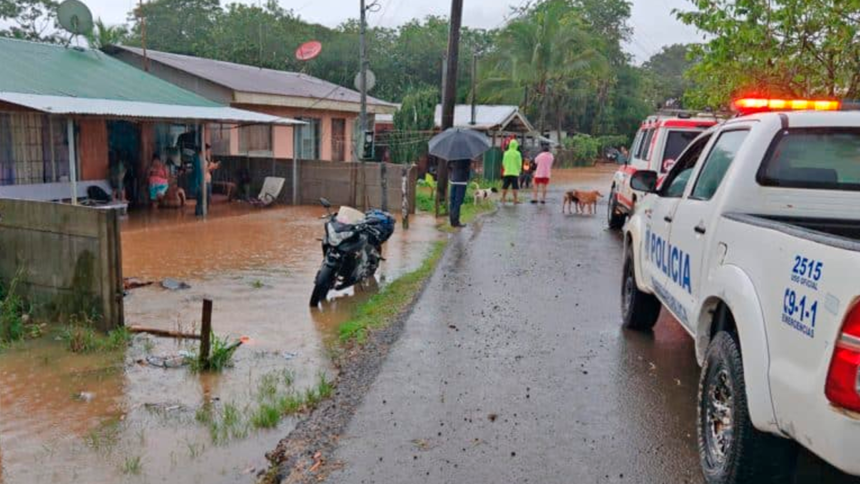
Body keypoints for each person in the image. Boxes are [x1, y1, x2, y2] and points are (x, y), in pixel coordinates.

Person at [448, 158, 471, 228]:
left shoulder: (453, 154)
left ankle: (453, 221)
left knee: (453, 201)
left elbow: (448, 165)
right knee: (458, 202)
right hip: (461, 181)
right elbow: (467, 169)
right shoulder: (466, 156)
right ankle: (455, 220)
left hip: (453, 180)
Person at [501, 139, 522, 204]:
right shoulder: (518, 153)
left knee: (505, 186)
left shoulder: (506, 153)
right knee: (515, 187)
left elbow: (503, 163)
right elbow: (519, 163)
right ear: (516, 145)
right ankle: (515, 200)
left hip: (507, 172)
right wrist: (519, 170)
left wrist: (506, 168)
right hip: (514, 173)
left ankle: (503, 199)